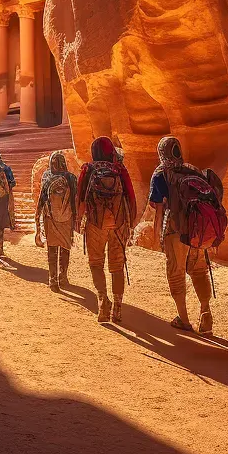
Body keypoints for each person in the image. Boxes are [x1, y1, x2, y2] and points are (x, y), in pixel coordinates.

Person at [148, 135, 226, 335]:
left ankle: (183, 319)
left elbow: (157, 208)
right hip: (197, 230)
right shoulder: (193, 171)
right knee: (199, 271)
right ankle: (205, 311)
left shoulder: (161, 174)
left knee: (176, 273)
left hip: (175, 230)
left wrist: (156, 235)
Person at [78, 136, 136, 323]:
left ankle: (103, 300)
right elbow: (131, 197)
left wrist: (79, 221)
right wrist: (130, 222)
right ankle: (117, 307)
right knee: (117, 265)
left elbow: (80, 197)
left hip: (96, 222)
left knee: (96, 263)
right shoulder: (120, 170)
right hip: (118, 222)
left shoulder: (88, 169)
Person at [36, 150, 77, 291]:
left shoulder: (47, 177)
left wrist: (37, 219)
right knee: (65, 248)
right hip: (67, 218)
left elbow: (42, 199)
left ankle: (52, 279)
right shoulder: (71, 178)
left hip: (50, 218)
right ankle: (63, 277)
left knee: (52, 248)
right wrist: (75, 219)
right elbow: (75, 200)